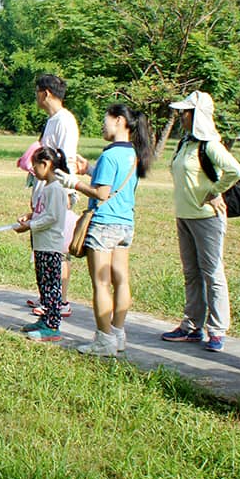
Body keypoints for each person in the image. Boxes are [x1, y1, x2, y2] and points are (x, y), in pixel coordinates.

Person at [56, 104, 154, 356]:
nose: (103, 125)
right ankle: (118, 333)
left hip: (103, 224)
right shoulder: (133, 153)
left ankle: (103, 339)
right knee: (121, 280)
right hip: (125, 224)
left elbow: (102, 193)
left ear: (119, 121)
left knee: (101, 283)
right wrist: (90, 169)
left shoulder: (110, 155)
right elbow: (114, 181)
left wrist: (74, 182)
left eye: (105, 120)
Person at [161, 91, 240, 352]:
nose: (181, 116)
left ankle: (217, 330)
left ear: (196, 116)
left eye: (185, 112)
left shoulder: (210, 145)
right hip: (184, 215)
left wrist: (216, 191)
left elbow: (235, 170)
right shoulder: (186, 143)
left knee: (212, 272)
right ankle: (192, 325)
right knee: (191, 272)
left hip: (207, 218)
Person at [29, 74, 82, 319]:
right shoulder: (51, 121)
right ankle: (47, 295)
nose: (36, 96)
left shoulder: (65, 121)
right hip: (44, 191)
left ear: (46, 93)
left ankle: (60, 300)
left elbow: (66, 158)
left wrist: (66, 192)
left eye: (38, 91)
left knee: (57, 249)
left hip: (58, 191)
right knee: (44, 248)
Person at [17, 146, 70, 341]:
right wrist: (30, 217)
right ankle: (45, 319)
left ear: (45, 164)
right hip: (41, 244)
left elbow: (52, 217)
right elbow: (42, 213)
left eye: (34, 166)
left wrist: (30, 225)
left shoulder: (56, 189)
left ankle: (53, 326)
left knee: (51, 287)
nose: (32, 170)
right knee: (43, 285)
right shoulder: (46, 188)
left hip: (50, 246)